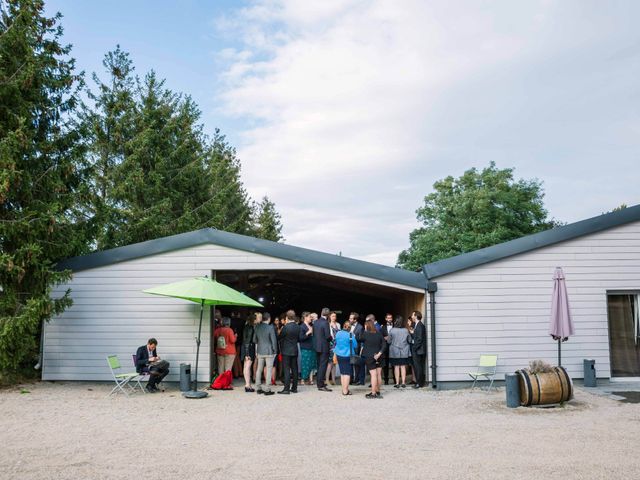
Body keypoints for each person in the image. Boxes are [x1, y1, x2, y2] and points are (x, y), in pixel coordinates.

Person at [360, 315, 386, 398]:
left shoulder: (365, 334)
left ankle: (373, 393)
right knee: (378, 374)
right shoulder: (379, 333)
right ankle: (378, 391)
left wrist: (364, 329)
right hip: (379, 356)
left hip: (369, 356)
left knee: (373, 374)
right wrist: (379, 353)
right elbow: (384, 345)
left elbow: (358, 338)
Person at [252, 312, 278, 396]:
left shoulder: (257, 327)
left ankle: (258, 387)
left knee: (259, 369)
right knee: (269, 369)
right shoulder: (270, 328)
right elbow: (274, 341)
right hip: (269, 351)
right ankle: (267, 389)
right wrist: (275, 350)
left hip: (260, 350)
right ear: (269, 318)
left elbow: (254, 340)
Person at [278, 309, 300, 394]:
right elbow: (299, 338)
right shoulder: (298, 327)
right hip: (294, 349)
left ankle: (286, 389)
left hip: (286, 350)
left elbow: (280, 337)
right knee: (294, 369)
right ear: (294, 317)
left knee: (286, 369)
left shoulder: (286, 327)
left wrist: (279, 333)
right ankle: (294, 388)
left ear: (287, 317)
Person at [334, 321, 358, 395]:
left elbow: (336, 342)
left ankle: (343, 389)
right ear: (350, 327)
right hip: (347, 355)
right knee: (347, 373)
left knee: (342, 373)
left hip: (339, 355)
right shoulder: (350, 335)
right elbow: (355, 345)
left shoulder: (338, 333)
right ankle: (345, 391)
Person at [387, 315, 411, 388]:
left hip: (394, 351)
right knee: (403, 367)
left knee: (396, 367)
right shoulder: (406, 330)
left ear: (396, 322)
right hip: (404, 351)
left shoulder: (392, 330)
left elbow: (388, 341)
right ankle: (403, 382)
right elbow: (409, 340)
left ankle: (397, 383)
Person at [314, 307, 332, 392]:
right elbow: (327, 336)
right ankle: (320, 385)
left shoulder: (316, 322)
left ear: (321, 312)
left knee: (319, 365)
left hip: (317, 346)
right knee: (323, 366)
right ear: (328, 315)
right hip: (324, 347)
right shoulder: (325, 323)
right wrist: (332, 338)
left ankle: (319, 382)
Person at [242, 312, 260, 392]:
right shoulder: (251, 328)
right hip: (249, 348)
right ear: (254, 320)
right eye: (256, 319)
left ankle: (247, 384)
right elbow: (248, 341)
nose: (257, 320)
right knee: (248, 367)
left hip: (246, 348)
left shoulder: (246, 326)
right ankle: (247, 385)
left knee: (246, 366)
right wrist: (247, 353)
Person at [299, 312, 316, 385]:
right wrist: (308, 332)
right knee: (305, 363)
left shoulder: (311, 325)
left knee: (312, 363)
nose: (311, 318)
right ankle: (303, 379)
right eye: (310, 317)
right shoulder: (301, 326)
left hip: (312, 347)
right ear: (305, 317)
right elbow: (300, 338)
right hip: (305, 348)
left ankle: (311, 379)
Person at [411, 310, 427, 388]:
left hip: (418, 350)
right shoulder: (417, 325)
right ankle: (419, 382)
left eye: (413, 315)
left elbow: (419, 339)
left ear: (416, 316)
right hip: (418, 350)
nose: (412, 316)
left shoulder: (420, 325)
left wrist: (414, 348)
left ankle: (419, 383)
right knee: (418, 367)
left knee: (418, 367)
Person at [349, 312, 365, 385]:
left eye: (351, 318)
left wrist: (354, 337)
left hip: (356, 347)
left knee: (356, 364)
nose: (349, 320)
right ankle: (350, 379)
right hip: (348, 347)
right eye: (349, 318)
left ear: (355, 320)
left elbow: (362, 338)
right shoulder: (348, 325)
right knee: (349, 363)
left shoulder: (360, 327)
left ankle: (357, 379)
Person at [326, 311, 340, 385]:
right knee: (330, 363)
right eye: (333, 316)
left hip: (337, 345)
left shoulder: (338, 324)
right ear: (329, 317)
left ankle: (333, 380)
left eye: (335, 316)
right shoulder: (327, 324)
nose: (334, 317)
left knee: (334, 363)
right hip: (331, 345)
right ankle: (327, 379)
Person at [382, 313, 393, 385]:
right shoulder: (383, 327)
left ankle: (396, 380)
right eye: (388, 318)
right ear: (386, 319)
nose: (389, 319)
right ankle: (386, 380)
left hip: (393, 347)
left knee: (394, 363)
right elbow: (380, 337)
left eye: (390, 318)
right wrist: (384, 338)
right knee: (385, 364)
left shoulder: (395, 326)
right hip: (385, 347)